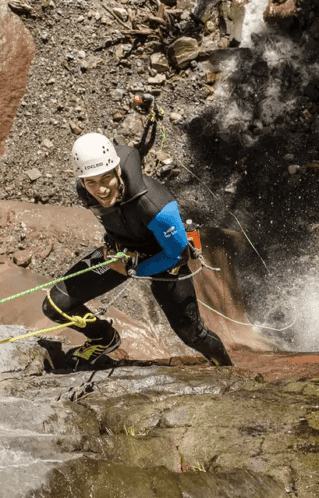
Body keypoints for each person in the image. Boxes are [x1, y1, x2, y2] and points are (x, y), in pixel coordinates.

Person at [42, 132, 233, 368]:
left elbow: (179, 254)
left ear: (117, 172)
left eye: (105, 179)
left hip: (165, 259)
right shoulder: (85, 189)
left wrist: (135, 267)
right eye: (91, 182)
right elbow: (112, 220)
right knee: (55, 305)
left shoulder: (153, 204)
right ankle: (104, 338)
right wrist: (116, 251)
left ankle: (227, 369)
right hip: (122, 253)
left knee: (194, 336)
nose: (100, 190)